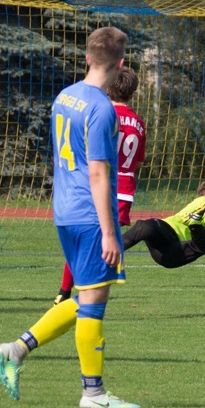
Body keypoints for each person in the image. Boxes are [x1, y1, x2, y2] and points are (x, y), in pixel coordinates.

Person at [0, 26, 140, 408]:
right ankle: (93, 393)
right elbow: (97, 172)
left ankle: (17, 349)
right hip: (91, 216)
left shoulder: (65, 96)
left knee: (84, 297)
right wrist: (110, 232)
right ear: (121, 63)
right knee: (94, 302)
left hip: (64, 211)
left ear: (88, 57)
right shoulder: (102, 107)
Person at [54, 66, 145, 305]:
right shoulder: (138, 122)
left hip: (102, 186)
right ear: (133, 93)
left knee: (89, 242)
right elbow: (139, 160)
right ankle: (79, 291)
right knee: (97, 242)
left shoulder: (101, 112)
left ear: (108, 87)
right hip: (125, 191)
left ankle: (67, 292)